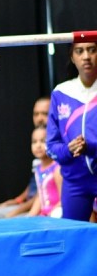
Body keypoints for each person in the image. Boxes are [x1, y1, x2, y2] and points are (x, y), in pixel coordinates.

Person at [0, 96, 50, 220]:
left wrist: (17, 211)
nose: (39, 118)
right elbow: (35, 183)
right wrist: (17, 200)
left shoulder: (56, 151)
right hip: (26, 205)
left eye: (45, 114)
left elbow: (43, 192)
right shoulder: (39, 151)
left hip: (40, 209)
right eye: (36, 114)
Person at [47, 39, 97, 221]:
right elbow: (51, 146)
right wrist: (68, 150)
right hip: (75, 182)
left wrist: (90, 147)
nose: (86, 56)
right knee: (73, 234)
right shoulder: (61, 93)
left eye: (92, 50)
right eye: (79, 51)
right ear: (72, 57)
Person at [27, 125, 62, 217]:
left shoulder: (57, 168)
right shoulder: (38, 169)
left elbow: (64, 199)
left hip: (58, 213)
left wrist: (50, 215)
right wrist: (30, 216)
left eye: (43, 141)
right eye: (34, 142)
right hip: (44, 215)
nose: (38, 145)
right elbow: (40, 195)